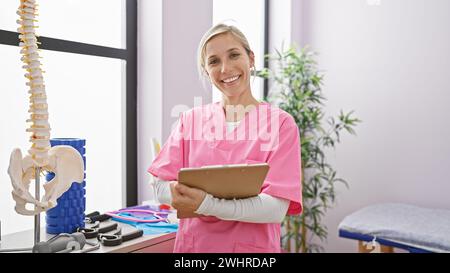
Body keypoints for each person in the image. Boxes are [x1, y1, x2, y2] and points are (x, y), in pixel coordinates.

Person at [147, 23, 302, 253]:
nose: (225, 68)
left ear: (251, 59)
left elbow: (275, 208)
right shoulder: (190, 120)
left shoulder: (281, 124)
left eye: (234, 55)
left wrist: (205, 203)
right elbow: (159, 185)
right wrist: (183, 195)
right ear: (206, 72)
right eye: (214, 61)